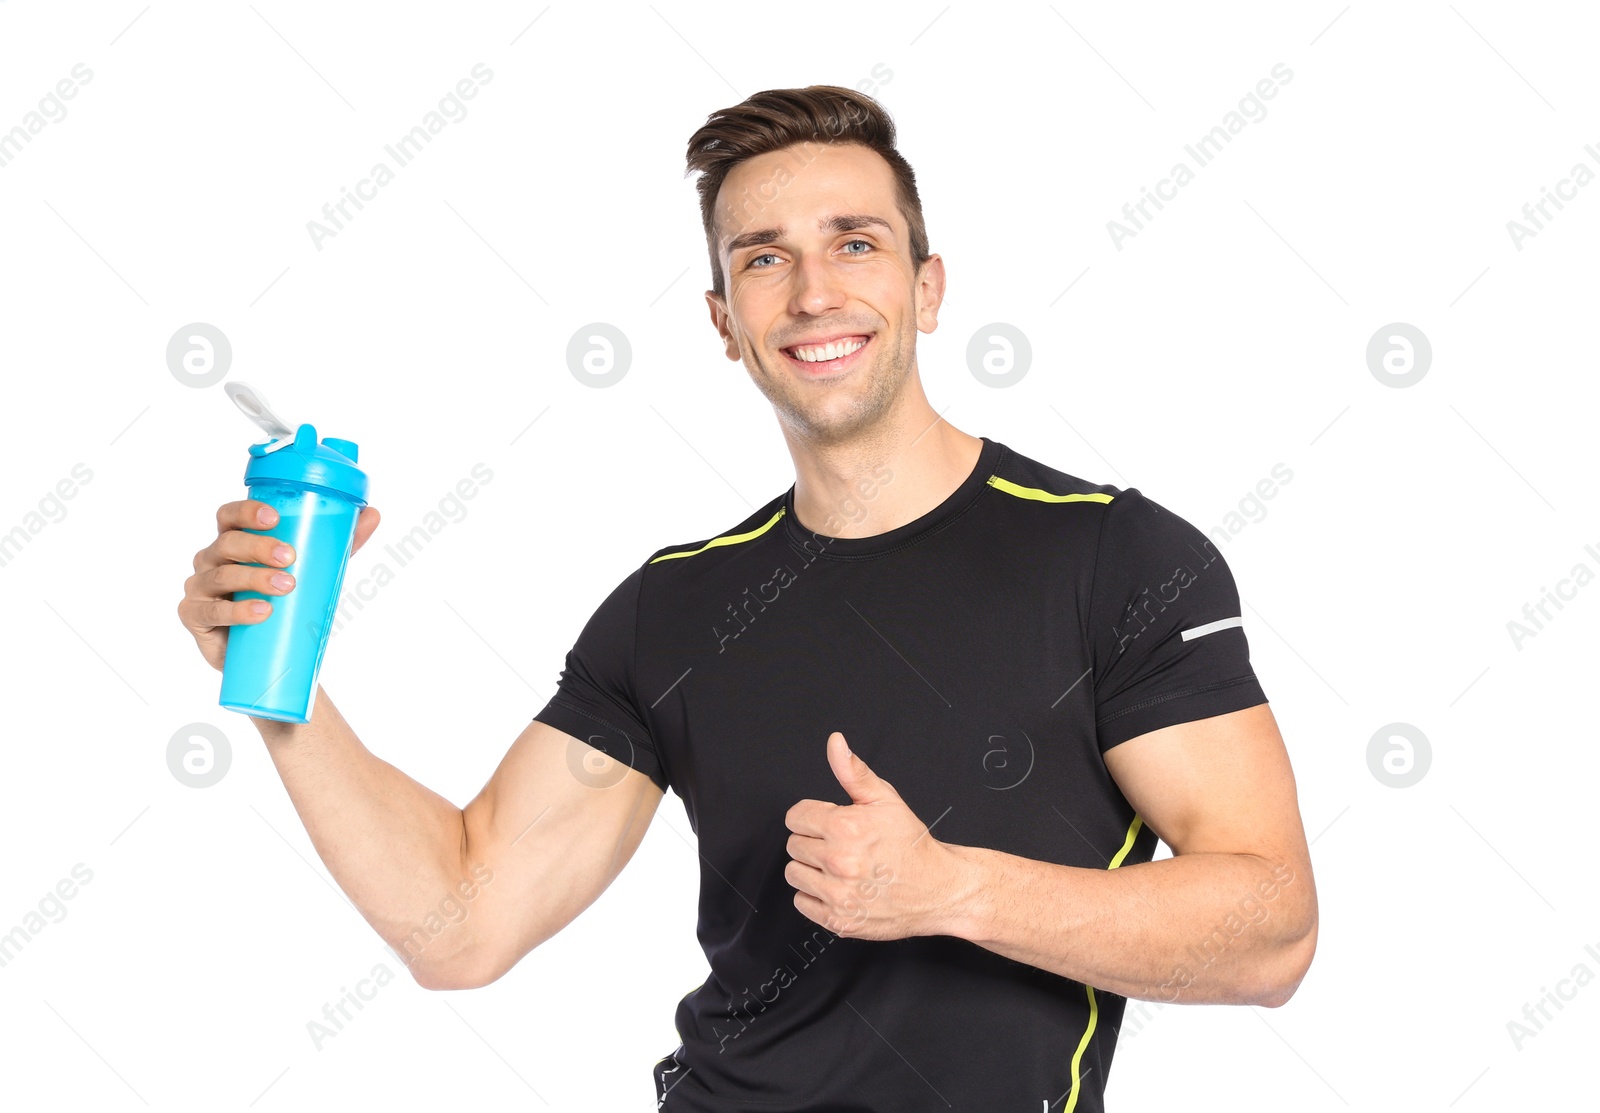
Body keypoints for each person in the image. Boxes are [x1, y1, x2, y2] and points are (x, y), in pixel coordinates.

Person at [178, 85, 1317, 1112]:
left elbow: (1270, 933)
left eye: (855, 244)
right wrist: (282, 687)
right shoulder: (672, 610)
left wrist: (947, 888)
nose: (814, 291)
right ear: (724, 321)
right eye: (763, 259)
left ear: (926, 288)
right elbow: (463, 925)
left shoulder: (1115, 559)